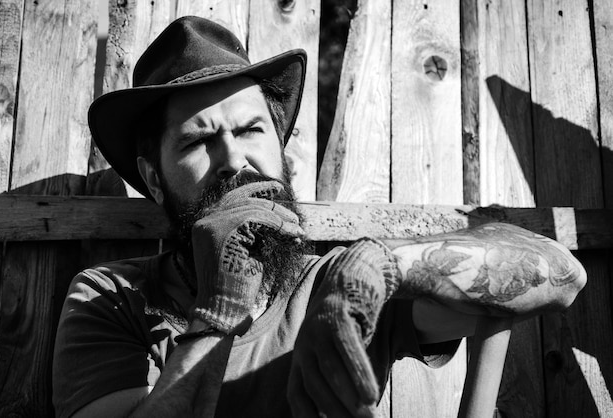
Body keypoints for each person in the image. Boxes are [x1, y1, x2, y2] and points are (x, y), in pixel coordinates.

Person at [52, 16, 587, 418]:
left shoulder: (332, 285)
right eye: (199, 140)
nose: (235, 160)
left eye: (251, 130)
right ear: (152, 176)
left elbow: (561, 273)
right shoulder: (111, 296)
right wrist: (219, 307)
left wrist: (379, 269)